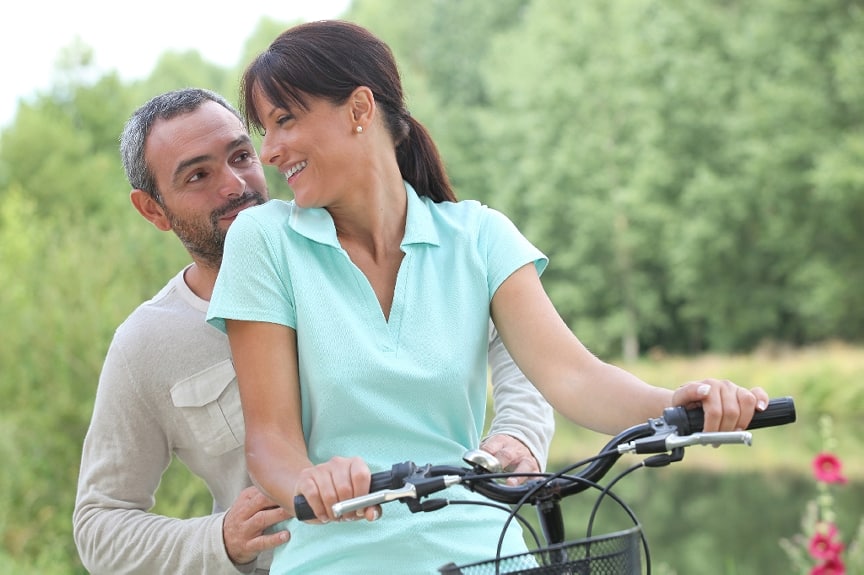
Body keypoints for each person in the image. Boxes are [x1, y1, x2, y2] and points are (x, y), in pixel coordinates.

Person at [205, 20, 770, 575]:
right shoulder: (264, 241)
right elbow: (270, 440)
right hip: (338, 558)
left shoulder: (478, 237)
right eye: (264, 132)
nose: (270, 152)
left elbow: (575, 378)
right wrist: (309, 481)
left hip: (484, 552)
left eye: (283, 121)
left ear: (359, 110)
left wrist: (680, 404)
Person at [72, 87, 555, 575]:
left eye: (241, 156)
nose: (235, 184)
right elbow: (99, 524)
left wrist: (520, 431)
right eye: (198, 175)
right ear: (152, 209)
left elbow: (515, 338)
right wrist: (218, 539)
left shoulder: (357, 248)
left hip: (457, 550)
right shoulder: (146, 345)